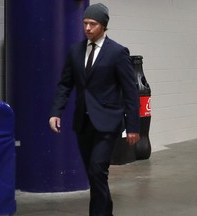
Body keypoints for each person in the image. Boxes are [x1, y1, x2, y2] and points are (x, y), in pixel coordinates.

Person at [49, 3, 140, 216]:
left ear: (104, 26)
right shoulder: (75, 51)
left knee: (97, 170)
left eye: (92, 24)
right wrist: (56, 112)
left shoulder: (117, 52)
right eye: (85, 23)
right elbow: (65, 84)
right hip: (83, 122)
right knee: (94, 175)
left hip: (108, 122)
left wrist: (133, 126)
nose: (87, 28)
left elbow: (130, 92)